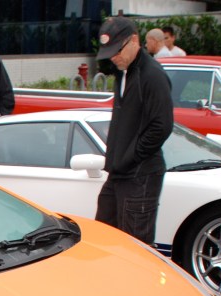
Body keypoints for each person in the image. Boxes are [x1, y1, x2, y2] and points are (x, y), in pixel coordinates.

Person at [94, 16, 173, 246]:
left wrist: (130, 157)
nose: (113, 57)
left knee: (135, 244)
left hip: (141, 174)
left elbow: (162, 126)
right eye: (109, 52)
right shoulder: (123, 71)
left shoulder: (152, 75)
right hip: (119, 171)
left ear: (135, 41)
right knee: (105, 235)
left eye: (117, 50)